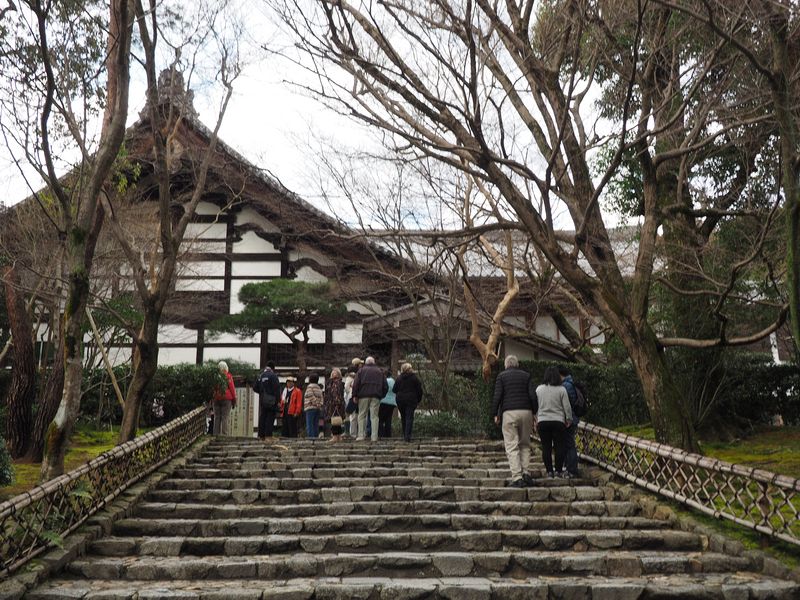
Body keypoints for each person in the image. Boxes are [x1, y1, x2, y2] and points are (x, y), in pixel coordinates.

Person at [492, 355, 536, 488]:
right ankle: (526, 473)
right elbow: (533, 396)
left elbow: (497, 396)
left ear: (506, 365)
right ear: (517, 364)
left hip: (509, 413)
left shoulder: (501, 376)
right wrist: (534, 413)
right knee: (525, 444)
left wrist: (495, 413)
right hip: (526, 412)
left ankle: (517, 477)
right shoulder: (526, 376)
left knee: (511, 445)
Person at [536, 365, 573, 479]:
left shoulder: (539, 389)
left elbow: (536, 405)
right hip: (558, 421)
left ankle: (549, 472)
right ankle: (558, 471)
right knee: (559, 447)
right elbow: (566, 406)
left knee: (546, 447)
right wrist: (569, 419)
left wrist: (536, 418)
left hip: (543, 421)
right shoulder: (561, 389)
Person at [352, 356, 388, 442]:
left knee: (362, 415)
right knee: (374, 416)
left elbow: (356, 384)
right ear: (374, 362)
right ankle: (374, 437)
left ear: (366, 363)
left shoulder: (361, 371)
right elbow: (385, 385)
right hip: (376, 396)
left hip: (363, 395)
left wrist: (354, 395)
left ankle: (361, 435)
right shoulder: (380, 371)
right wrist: (381, 395)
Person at [393, 362, 423, 442]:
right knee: (409, 417)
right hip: (411, 400)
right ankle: (407, 436)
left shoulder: (399, 378)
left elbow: (394, 389)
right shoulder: (414, 378)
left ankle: (404, 434)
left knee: (403, 417)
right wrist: (418, 399)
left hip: (400, 400)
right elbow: (419, 390)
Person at [558, 366, 580, 478]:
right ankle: (570, 468)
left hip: (569, 419)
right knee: (568, 444)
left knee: (569, 445)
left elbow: (566, 404)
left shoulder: (566, 386)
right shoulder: (570, 383)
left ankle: (572, 470)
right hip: (572, 418)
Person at [252, 361, 280, 441]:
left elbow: (254, 388)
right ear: (273, 368)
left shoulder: (260, 376)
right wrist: (277, 400)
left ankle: (261, 436)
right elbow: (277, 389)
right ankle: (268, 436)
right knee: (270, 417)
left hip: (263, 400)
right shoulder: (273, 376)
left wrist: (262, 393)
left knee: (263, 417)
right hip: (272, 401)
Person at [212, 361, 237, 436]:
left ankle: (216, 434)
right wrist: (234, 399)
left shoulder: (215, 377)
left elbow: (213, 388)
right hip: (227, 399)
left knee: (217, 417)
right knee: (225, 417)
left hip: (216, 398)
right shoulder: (228, 376)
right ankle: (224, 434)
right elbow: (232, 388)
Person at [324, 367, 346, 442]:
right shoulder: (334, 382)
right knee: (337, 421)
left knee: (335, 421)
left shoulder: (336, 383)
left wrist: (336, 402)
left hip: (335, 404)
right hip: (335, 403)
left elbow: (336, 393)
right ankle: (338, 436)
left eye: (335, 372)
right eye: (333, 372)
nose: (333, 373)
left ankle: (335, 436)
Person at [304, 372, 324, 439]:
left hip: (310, 407)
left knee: (310, 424)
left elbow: (310, 396)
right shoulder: (319, 388)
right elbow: (321, 398)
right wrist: (319, 404)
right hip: (317, 408)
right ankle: (316, 436)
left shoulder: (309, 387)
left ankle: (311, 438)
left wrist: (315, 403)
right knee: (315, 424)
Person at [344, 360, 361, 438]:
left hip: (351, 397)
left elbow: (346, 388)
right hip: (360, 397)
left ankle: (353, 433)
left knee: (352, 416)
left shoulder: (349, 378)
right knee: (359, 416)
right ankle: (360, 433)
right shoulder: (359, 376)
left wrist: (349, 392)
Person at [378, 369, 396, 438]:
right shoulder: (393, 381)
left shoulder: (384, 381)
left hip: (383, 401)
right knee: (388, 419)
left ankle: (381, 434)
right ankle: (388, 434)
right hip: (392, 403)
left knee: (380, 419)